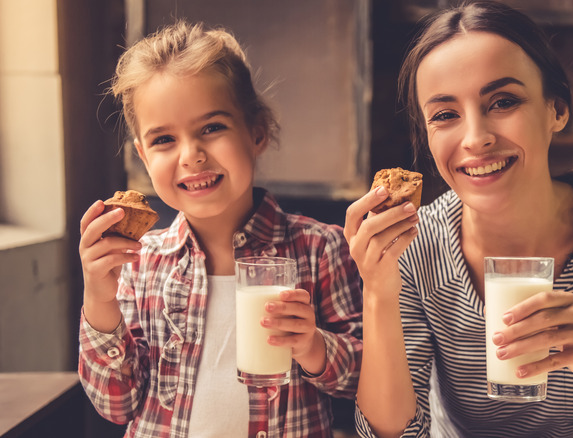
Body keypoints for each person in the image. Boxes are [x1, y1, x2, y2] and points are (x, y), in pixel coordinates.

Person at [344, 2, 573, 437]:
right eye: (445, 114)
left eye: (503, 101)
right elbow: (393, 434)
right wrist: (378, 292)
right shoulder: (413, 244)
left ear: (556, 110)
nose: (476, 138)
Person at [78, 21, 362, 438]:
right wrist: (99, 299)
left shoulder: (320, 248)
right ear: (141, 155)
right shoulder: (139, 261)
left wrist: (313, 346)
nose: (191, 156)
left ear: (256, 132)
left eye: (211, 128)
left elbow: (364, 378)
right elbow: (116, 404)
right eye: (163, 140)